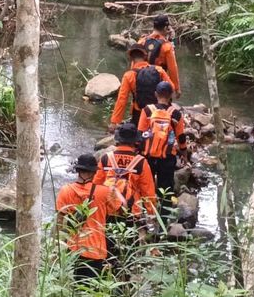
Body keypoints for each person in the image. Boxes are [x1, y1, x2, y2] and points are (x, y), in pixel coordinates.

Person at [55, 153, 125, 282]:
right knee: (90, 287)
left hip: (73, 248)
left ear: (77, 170)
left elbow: (59, 222)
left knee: (73, 286)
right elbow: (122, 210)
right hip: (95, 249)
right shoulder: (104, 191)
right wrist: (116, 192)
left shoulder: (65, 190)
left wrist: (56, 249)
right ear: (94, 172)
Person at [94, 123, 158, 255]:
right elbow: (148, 192)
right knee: (128, 248)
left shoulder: (106, 158)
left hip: (107, 210)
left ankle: (107, 270)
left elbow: (96, 186)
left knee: (108, 246)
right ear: (135, 141)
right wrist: (151, 215)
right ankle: (125, 273)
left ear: (118, 139)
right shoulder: (141, 162)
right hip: (130, 212)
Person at [138, 81, 187, 226]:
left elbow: (140, 134)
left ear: (155, 94)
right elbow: (181, 137)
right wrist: (184, 154)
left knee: (147, 186)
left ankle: (147, 218)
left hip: (148, 156)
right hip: (167, 157)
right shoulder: (176, 114)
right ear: (171, 95)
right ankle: (163, 221)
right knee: (166, 187)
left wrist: (139, 153)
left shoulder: (147, 110)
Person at [111, 45, 173, 130]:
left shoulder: (129, 75)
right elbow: (171, 87)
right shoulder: (159, 70)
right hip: (159, 112)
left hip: (139, 115)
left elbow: (122, 100)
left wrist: (115, 122)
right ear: (145, 56)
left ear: (131, 58)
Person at [138, 15, 180, 97]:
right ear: (165, 28)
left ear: (154, 26)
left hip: (141, 83)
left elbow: (134, 64)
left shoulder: (141, 41)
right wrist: (177, 88)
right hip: (159, 86)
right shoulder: (167, 46)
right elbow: (172, 69)